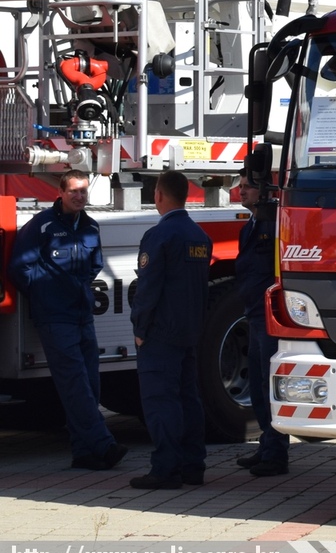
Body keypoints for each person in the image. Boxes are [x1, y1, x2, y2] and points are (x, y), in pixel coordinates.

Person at [9, 170, 127, 470]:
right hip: (54, 317)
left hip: (82, 314)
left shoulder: (90, 226)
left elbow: (94, 265)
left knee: (90, 382)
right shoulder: (42, 226)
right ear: (60, 193)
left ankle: (83, 454)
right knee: (74, 383)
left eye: (83, 192)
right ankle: (104, 444)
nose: (79, 196)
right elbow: (20, 269)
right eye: (73, 191)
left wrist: (75, 289)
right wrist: (47, 293)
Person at [127, 170, 212, 491]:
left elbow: (148, 288)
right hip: (189, 331)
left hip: (160, 333)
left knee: (160, 400)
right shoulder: (199, 236)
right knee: (188, 398)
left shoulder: (159, 236)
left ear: (159, 195)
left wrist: (140, 328)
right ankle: (193, 465)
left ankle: (165, 468)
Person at [233, 168, 288, 477]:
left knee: (270, 385)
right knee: (256, 384)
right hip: (253, 314)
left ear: (264, 192)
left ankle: (277, 453)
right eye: (240, 187)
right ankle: (266, 444)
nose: (242, 192)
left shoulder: (272, 223)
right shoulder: (249, 227)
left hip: (268, 318)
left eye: (248, 187)